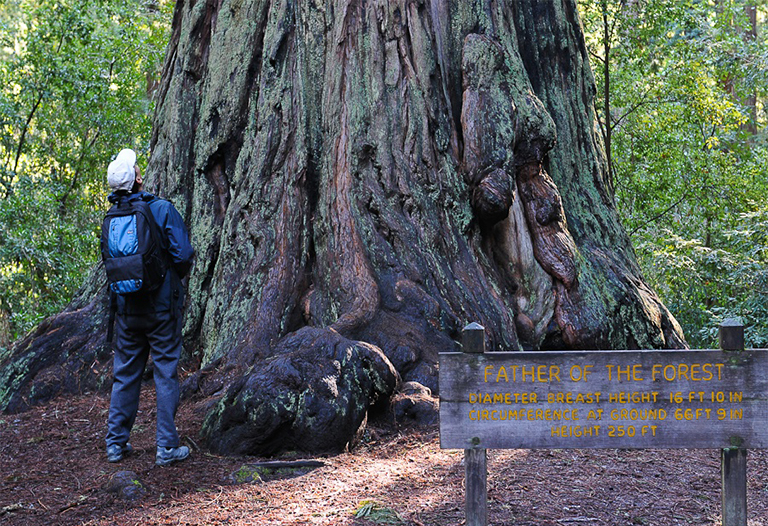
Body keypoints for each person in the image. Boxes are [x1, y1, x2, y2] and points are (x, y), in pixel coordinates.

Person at [104, 148, 195, 466]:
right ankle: (166, 447)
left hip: (127, 311)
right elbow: (183, 255)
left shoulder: (111, 218)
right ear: (138, 179)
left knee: (125, 374)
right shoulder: (161, 209)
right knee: (166, 372)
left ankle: (115, 443)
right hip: (161, 310)